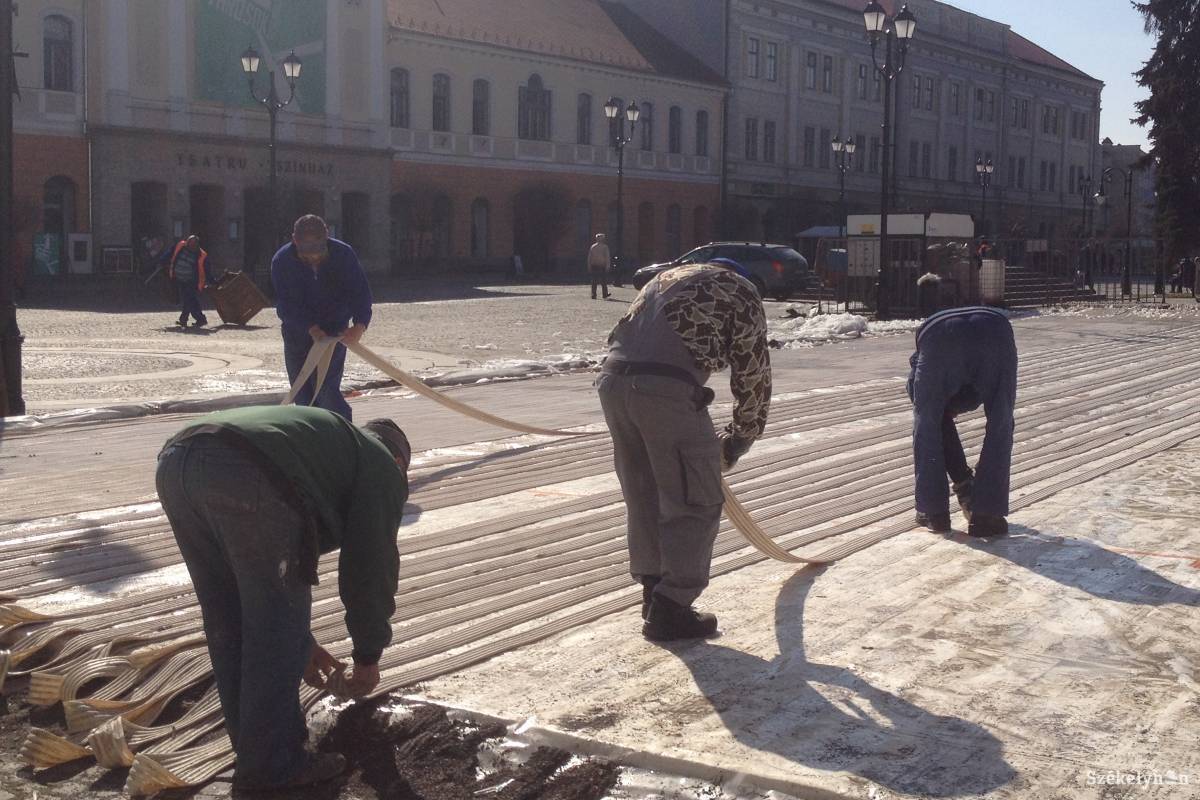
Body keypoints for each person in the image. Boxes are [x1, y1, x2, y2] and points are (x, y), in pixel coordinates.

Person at [155, 405, 410, 790]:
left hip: (177, 464)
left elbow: (262, 585)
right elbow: (370, 566)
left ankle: (257, 756)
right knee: (273, 632)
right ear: (398, 459)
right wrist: (367, 655)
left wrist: (302, 640)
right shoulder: (381, 465)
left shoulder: (327, 451)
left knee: (228, 619)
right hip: (245, 470)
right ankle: (275, 767)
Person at [597, 259, 771, 641]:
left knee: (644, 494)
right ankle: (672, 608)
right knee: (696, 498)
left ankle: (653, 593)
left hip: (613, 383)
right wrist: (743, 434)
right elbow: (752, 369)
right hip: (666, 392)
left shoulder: (663, 280)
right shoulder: (740, 289)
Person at [908, 305, 1017, 538]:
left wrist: (938, 411)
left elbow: (925, 408)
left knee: (926, 421)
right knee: (1001, 419)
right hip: (994, 329)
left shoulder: (921, 361)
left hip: (939, 335)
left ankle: (934, 513)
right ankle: (986, 516)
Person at [271, 215, 373, 421]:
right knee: (302, 393)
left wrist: (359, 325)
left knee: (327, 391)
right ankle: (314, 439)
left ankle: (343, 433)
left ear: (326, 237)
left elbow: (359, 292)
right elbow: (285, 305)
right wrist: (308, 327)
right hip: (297, 333)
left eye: (318, 253)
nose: (313, 259)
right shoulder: (282, 261)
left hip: (334, 330)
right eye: (306, 255)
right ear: (294, 240)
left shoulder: (343, 255)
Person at [166, 235, 209, 327]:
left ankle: (184, 319)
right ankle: (200, 319)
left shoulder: (201, 255)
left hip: (192, 281)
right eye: (190, 242)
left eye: (194, 243)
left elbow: (206, 270)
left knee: (188, 300)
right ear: (187, 242)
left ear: (197, 245)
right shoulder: (181, 246)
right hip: (180, 279)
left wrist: (212, 281)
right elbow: (169, 253)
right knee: (191, 300)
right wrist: (161, 261)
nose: (191, 245)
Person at [588, 233, 612, 300]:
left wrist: (589, 265)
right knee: (603, 281)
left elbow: (589, 257)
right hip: (602, 265)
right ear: (603, 239)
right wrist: (608, 265)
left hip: (594, 265)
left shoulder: (593, 246)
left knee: (594, 281)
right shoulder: (605, 247)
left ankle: (593, 294)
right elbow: (607, 257)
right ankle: (604, 294)